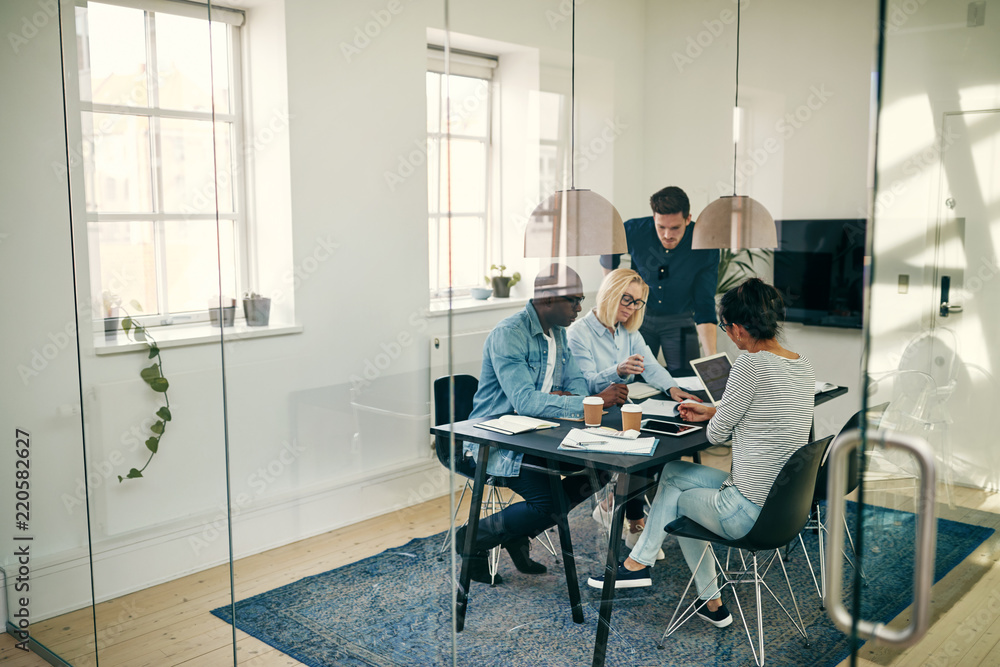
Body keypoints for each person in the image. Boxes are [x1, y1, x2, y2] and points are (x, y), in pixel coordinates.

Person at [586, 279, 815, 631]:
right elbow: (766, 413)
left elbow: (717, 436)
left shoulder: (750, 365)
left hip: (746, 513)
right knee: (674, 473)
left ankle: (636, 566)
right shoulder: (801, 363)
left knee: (676, 498)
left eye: (726, 329)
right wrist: (713, 409)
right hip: (784, 507)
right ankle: (710, 602)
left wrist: (715, 417)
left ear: (737, 329)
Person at [458, 264, 629, 584]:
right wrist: (587, 401)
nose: (580, 308)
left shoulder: (559, 335)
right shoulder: (509, 334)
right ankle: (474, 535)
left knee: (601, 469)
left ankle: (514, 533)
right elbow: (525, 401)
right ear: (547, 299)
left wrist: (566, 398)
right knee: (548, 502)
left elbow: (575, 385)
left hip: (539, 436)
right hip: (500, 444)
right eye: (575, 300)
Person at [566, 268, 702, 547]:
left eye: (637, 302)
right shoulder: (579, 333)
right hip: (594, 415)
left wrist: (673, 389)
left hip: (622, 408)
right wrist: (617, 370)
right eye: (626, 299)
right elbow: (587, 385)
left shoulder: (628, 331)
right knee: (643, 447)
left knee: (660, 443)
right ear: (609, 293)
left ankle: (622, 512)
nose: (631, 307)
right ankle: (635, 521)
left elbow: (650, 365)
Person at [600, 186, 720, 376]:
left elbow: (704, 302)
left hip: (680, 320)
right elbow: (609, 252)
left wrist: (712, 358)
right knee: (635, 378)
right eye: (661, 227)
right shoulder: (634, 230)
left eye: (675, 228)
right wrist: (612, 293)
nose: (667, 235)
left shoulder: (704, 244)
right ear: (654, 218)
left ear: (688, 219)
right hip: (639, 317)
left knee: (686, 379)